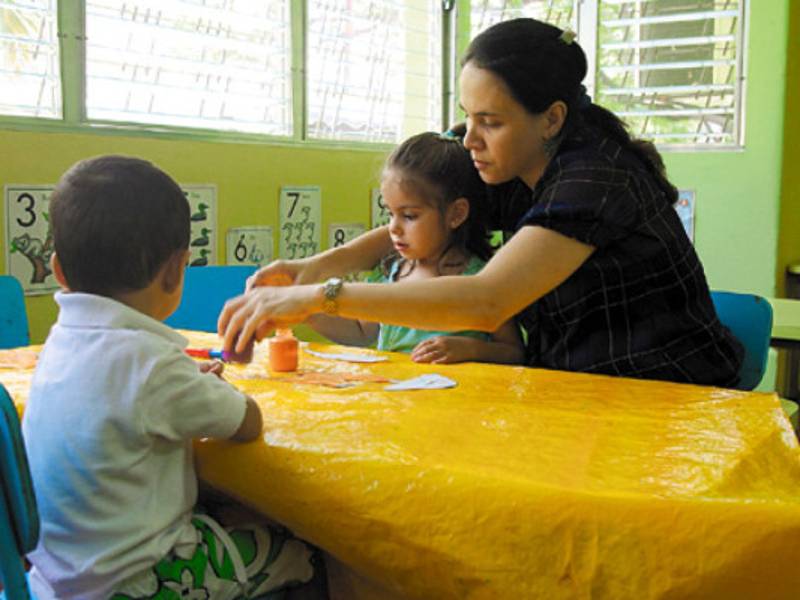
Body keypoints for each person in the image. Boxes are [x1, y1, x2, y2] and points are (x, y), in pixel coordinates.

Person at [218, 18, 742, 387]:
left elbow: (485, 299)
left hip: (663, 390)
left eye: (489, 122)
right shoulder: (505, 157)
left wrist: (319, 297)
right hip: (565, 382)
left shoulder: (595, 179)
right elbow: (429, 209)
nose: (469, 138)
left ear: (552, 119)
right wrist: (315, 267)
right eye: (468, 116)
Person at [21, 156, 320, 600]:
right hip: (135, 581)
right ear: (177, 269)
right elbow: (247, 422)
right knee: (304, 551)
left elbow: (127, 398)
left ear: (58, 270)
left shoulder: (61, 343)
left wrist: (185, 382)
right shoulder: (154, 364)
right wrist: (211, 387)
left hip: (53, 578)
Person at [306, 131, 524, 364]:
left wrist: (472, 349)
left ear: (456, 214)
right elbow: (360, 332)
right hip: (394, 397)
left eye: (409, 216)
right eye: (390, 214)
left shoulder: (480, 280)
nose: (393, 228)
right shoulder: (391, 272)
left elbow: (514, 353)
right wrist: (305, 312)